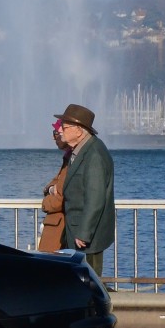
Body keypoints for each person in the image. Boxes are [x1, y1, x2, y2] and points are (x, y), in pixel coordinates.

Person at [55, 103, 115, 277]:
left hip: (86, 237)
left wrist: (84, 232)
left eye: (65, 127)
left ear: (79, 130)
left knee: (88, 281)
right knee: (80, 280)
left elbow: (95, 198)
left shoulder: (94, 154)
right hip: (78, 231)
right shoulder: (83, 150)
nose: (60, 131)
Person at [37, 119, 74, 252]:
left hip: (58, 226)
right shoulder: (68, 158)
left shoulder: (72, 159)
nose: (54, 138)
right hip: (57, 225)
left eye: (56, 133)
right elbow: (52, 185)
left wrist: (44, 204)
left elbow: (60, 197)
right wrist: (51, 189)